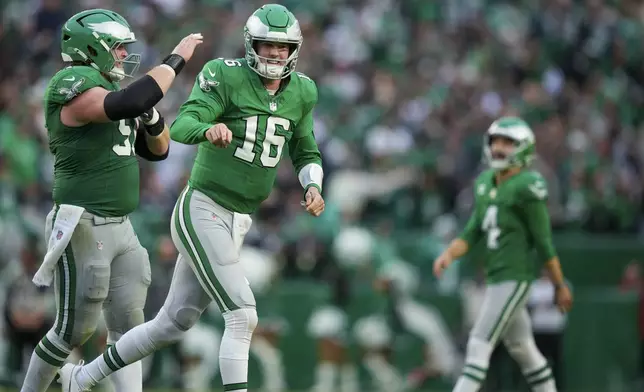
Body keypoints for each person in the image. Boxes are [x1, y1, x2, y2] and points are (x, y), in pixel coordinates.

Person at [58, 4, 325, 392]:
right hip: (203, 206)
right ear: (252, 45)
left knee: (172, 323)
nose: (275, 54)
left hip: (239, 218)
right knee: (243, 314)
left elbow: (305, 147)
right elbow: (182, 123)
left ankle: (81, 378)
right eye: (267, 45)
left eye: (282, 47)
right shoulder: (224, 74)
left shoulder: (303, 89)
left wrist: (312, 184)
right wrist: (209, 129)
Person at [19, 8, 202, 392]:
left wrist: (152, 122)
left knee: (130, 326)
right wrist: (176, 59)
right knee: (74, 328)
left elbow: (158, 150)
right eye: (118, 47)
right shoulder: (73, 80)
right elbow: (123, 105)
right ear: (93, 46)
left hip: (122, 225)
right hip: (83, 221)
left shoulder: (109, 88)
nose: (123, 55)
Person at [433, 116, 573, 392]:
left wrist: (558, 284)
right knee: (523, 348)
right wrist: (450, 254)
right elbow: (473, 230)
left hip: (515, 276)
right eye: (495, 141)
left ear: (523, 148)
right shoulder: (485, 182)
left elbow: (543, 241)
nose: (499, 148)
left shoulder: (528, 184)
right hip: (495, 276)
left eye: (507, 143)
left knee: (478, 342)